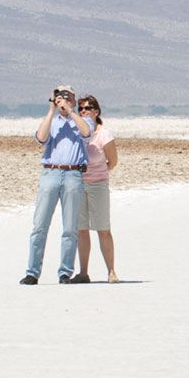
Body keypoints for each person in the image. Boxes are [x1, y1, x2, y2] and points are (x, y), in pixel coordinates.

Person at [21, 85, 92, 284]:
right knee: (39, 225)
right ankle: (32, 272)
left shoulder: (83, 120)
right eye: (60, 96)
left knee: (70, 227)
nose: (63, 99)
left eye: (67, 96)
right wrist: (52, 109)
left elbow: (86, 133)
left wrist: (70, 112)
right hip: (50, 173)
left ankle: (65, 272)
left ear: (74, 99)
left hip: (73, 174)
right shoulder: (51, 122)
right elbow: (41, 138)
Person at [71, 95, 118, 283]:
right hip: (77, 184)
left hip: (98, 184)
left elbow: (112, 160)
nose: (84, 111)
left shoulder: (104, 133)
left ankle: (111, 271)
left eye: (88, 108)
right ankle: (83, 272)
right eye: (81, 109)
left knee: (103, 228)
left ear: (96, 111)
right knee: (81, 229)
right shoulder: (75, 131)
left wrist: (99, 172)